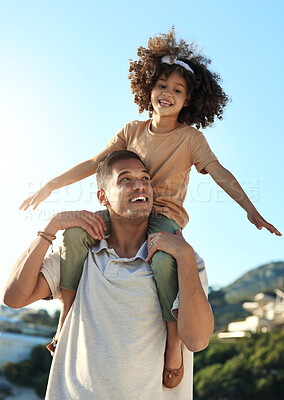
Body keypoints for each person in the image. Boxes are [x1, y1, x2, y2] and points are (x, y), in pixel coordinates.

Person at [19, 28, 281, 385]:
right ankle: (65, 316)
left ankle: (173, 344)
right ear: (148, 89)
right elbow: (95, 162)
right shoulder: (132, 130)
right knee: (78, 232)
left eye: (177, 90)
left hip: (163, 220)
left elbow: (219, 172)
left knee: (162, 261)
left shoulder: (190, 139)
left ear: (188, 100)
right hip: (120, 214)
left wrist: (250, 209)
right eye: (161, 85)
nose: (167, 94)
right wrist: (51, 185)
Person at [2, 151, 214, 399]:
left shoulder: (182, 259)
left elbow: (197, 340)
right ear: (102, 197)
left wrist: (186, 257)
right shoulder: (81, 254)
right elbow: (14, 297)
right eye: (126, 180)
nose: (140, 185)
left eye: (145, 179)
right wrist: (51, 227)